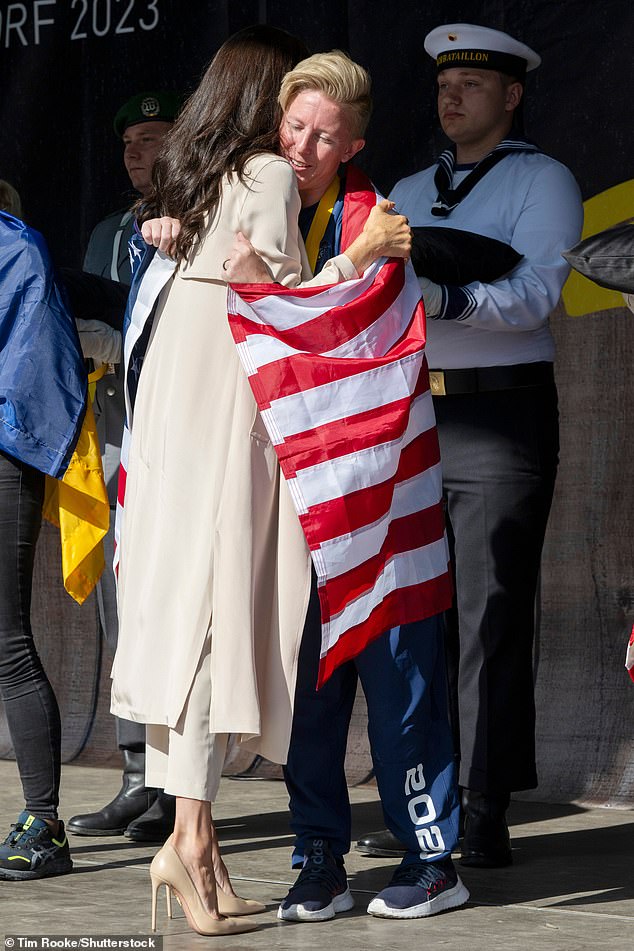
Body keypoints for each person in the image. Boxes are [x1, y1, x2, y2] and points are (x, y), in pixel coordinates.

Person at [110, 29, 409, 937]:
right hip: (234, 412)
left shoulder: (189, 177)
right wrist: (361, 258)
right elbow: (294, 312)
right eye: (287, 106)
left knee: (181, 614)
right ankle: (190, 843)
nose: (293, 131)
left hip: (170, 409)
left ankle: (199, 847)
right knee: (214, 617)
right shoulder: (267, 178)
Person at [220, 51, 468, 923]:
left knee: (401, 685)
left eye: (325, 134)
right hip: (299, 506)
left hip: (379, 495)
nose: (303, 145)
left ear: (355, 141)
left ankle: (433, 856)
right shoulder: (257, 203)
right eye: (294, 125)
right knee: (311, 693)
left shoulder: (377, 219)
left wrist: (293, 282)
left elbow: (342, 333)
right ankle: (319, 853)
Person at [357, 23, 583, 868]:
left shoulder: (543, 179)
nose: (452, 96)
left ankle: (484, 805)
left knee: (489, 616)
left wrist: (445, 297)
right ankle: (428, 796)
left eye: (474, 85)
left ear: (512, 94)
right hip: (415, 415)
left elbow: (533, 295)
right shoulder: (408, 186)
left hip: (501, 418)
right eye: (445, 84)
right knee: (416, 614)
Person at [68, 91, 181, 844]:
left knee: (175, 609)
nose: (138, 152)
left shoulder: (201, 218)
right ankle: (137, 775)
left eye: (153, 136)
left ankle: (178, 786)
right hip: (115, 437)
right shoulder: (110, 231)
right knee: (123, 611)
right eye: (129, 142)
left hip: (178, 438)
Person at [0, 205, 87, 880]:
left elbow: (38, 371)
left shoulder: (16, 247)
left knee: (6, 638)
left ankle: (45, 822)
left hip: (5, 455)